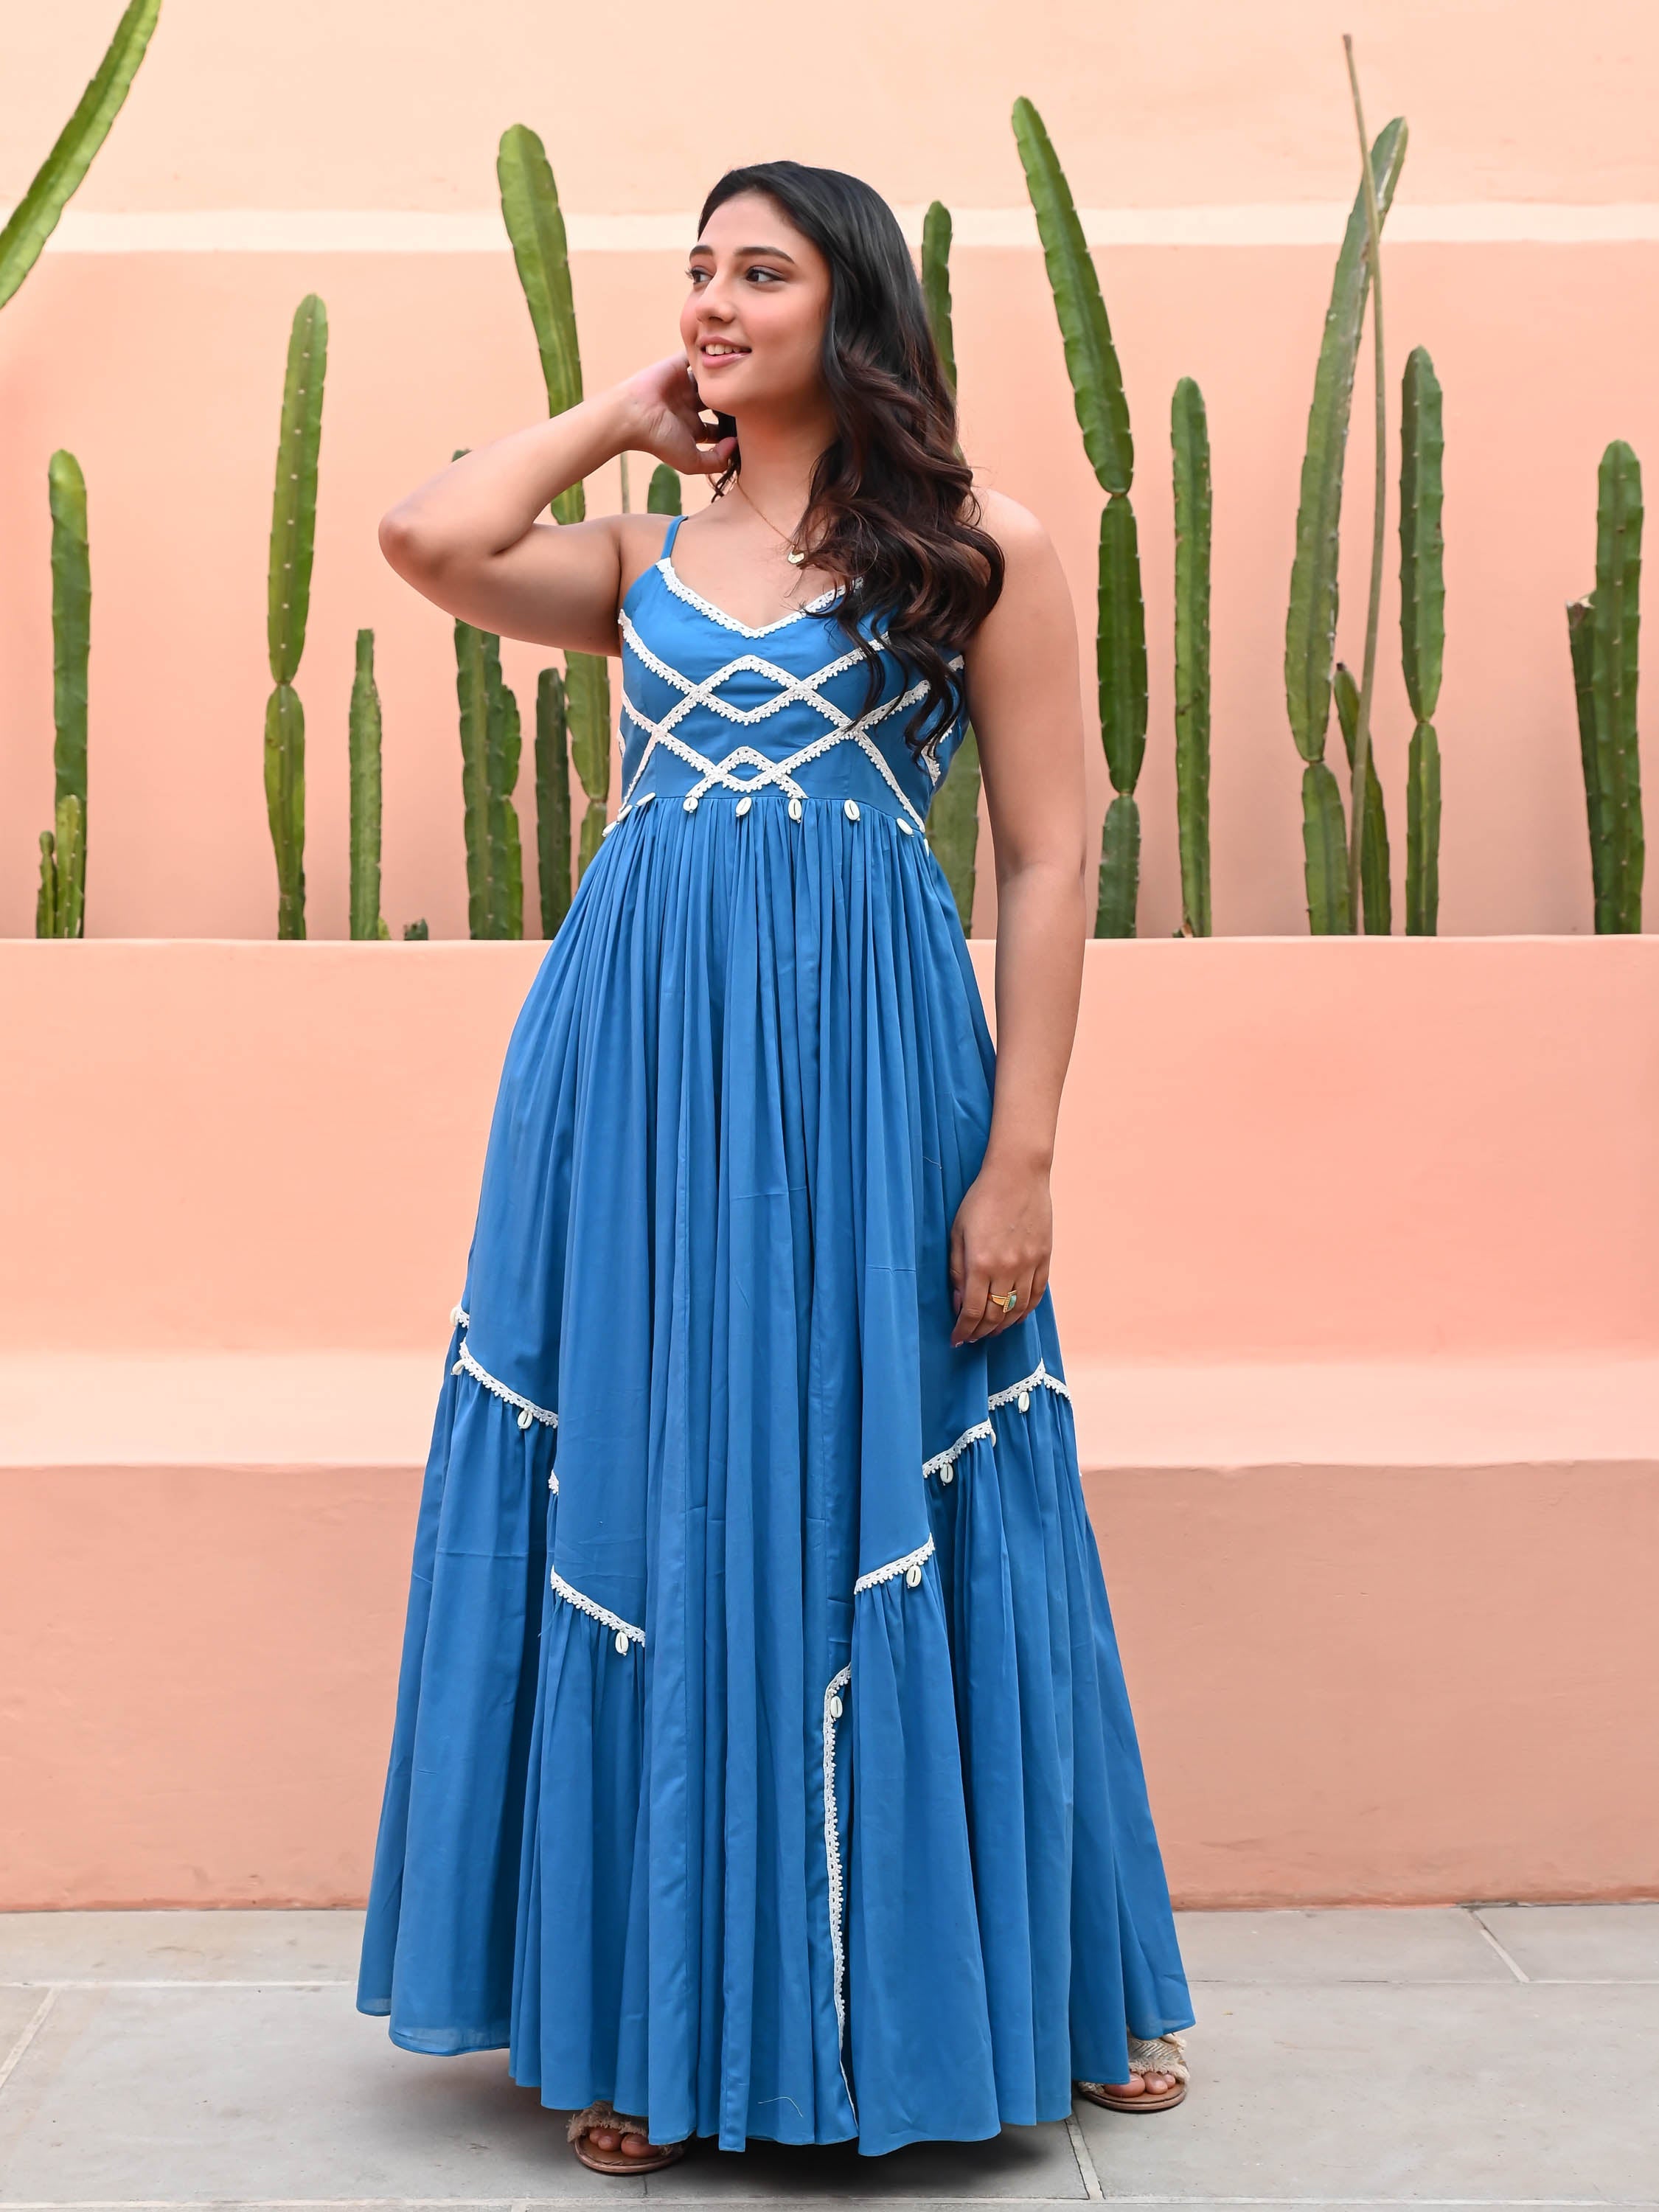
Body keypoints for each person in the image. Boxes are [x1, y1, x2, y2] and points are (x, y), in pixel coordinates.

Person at [356, 157, 1194, 2171]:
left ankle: (1034, 1987)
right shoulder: (638, 552)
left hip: (874, 1073)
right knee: (650, 1484)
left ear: (855, 304)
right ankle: (645, 2012)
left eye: (762, 272)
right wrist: (619, 412)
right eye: (697, 273)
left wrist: (1022, 1157)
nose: (718, 301)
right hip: (630, 1076)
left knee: (918, 1465)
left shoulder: (975, 548)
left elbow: (1048, 847)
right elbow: (426, 535)